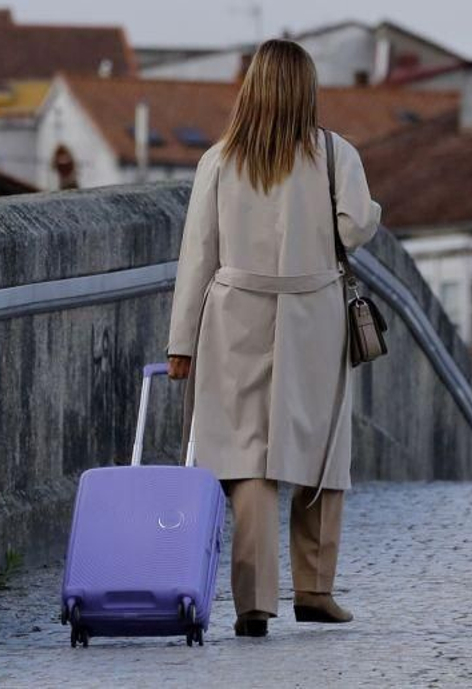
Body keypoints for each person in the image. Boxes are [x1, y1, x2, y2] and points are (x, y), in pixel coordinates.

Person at [166, 39, 381, 638]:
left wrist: (181, 342)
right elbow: (355, 228)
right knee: (318, 446)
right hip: (314, 313)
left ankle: (254, 602)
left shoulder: (219, 160)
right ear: (308, 89)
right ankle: (314, 589)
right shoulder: (336, 155)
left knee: (245, 455)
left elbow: (197, 256)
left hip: (234, 313)